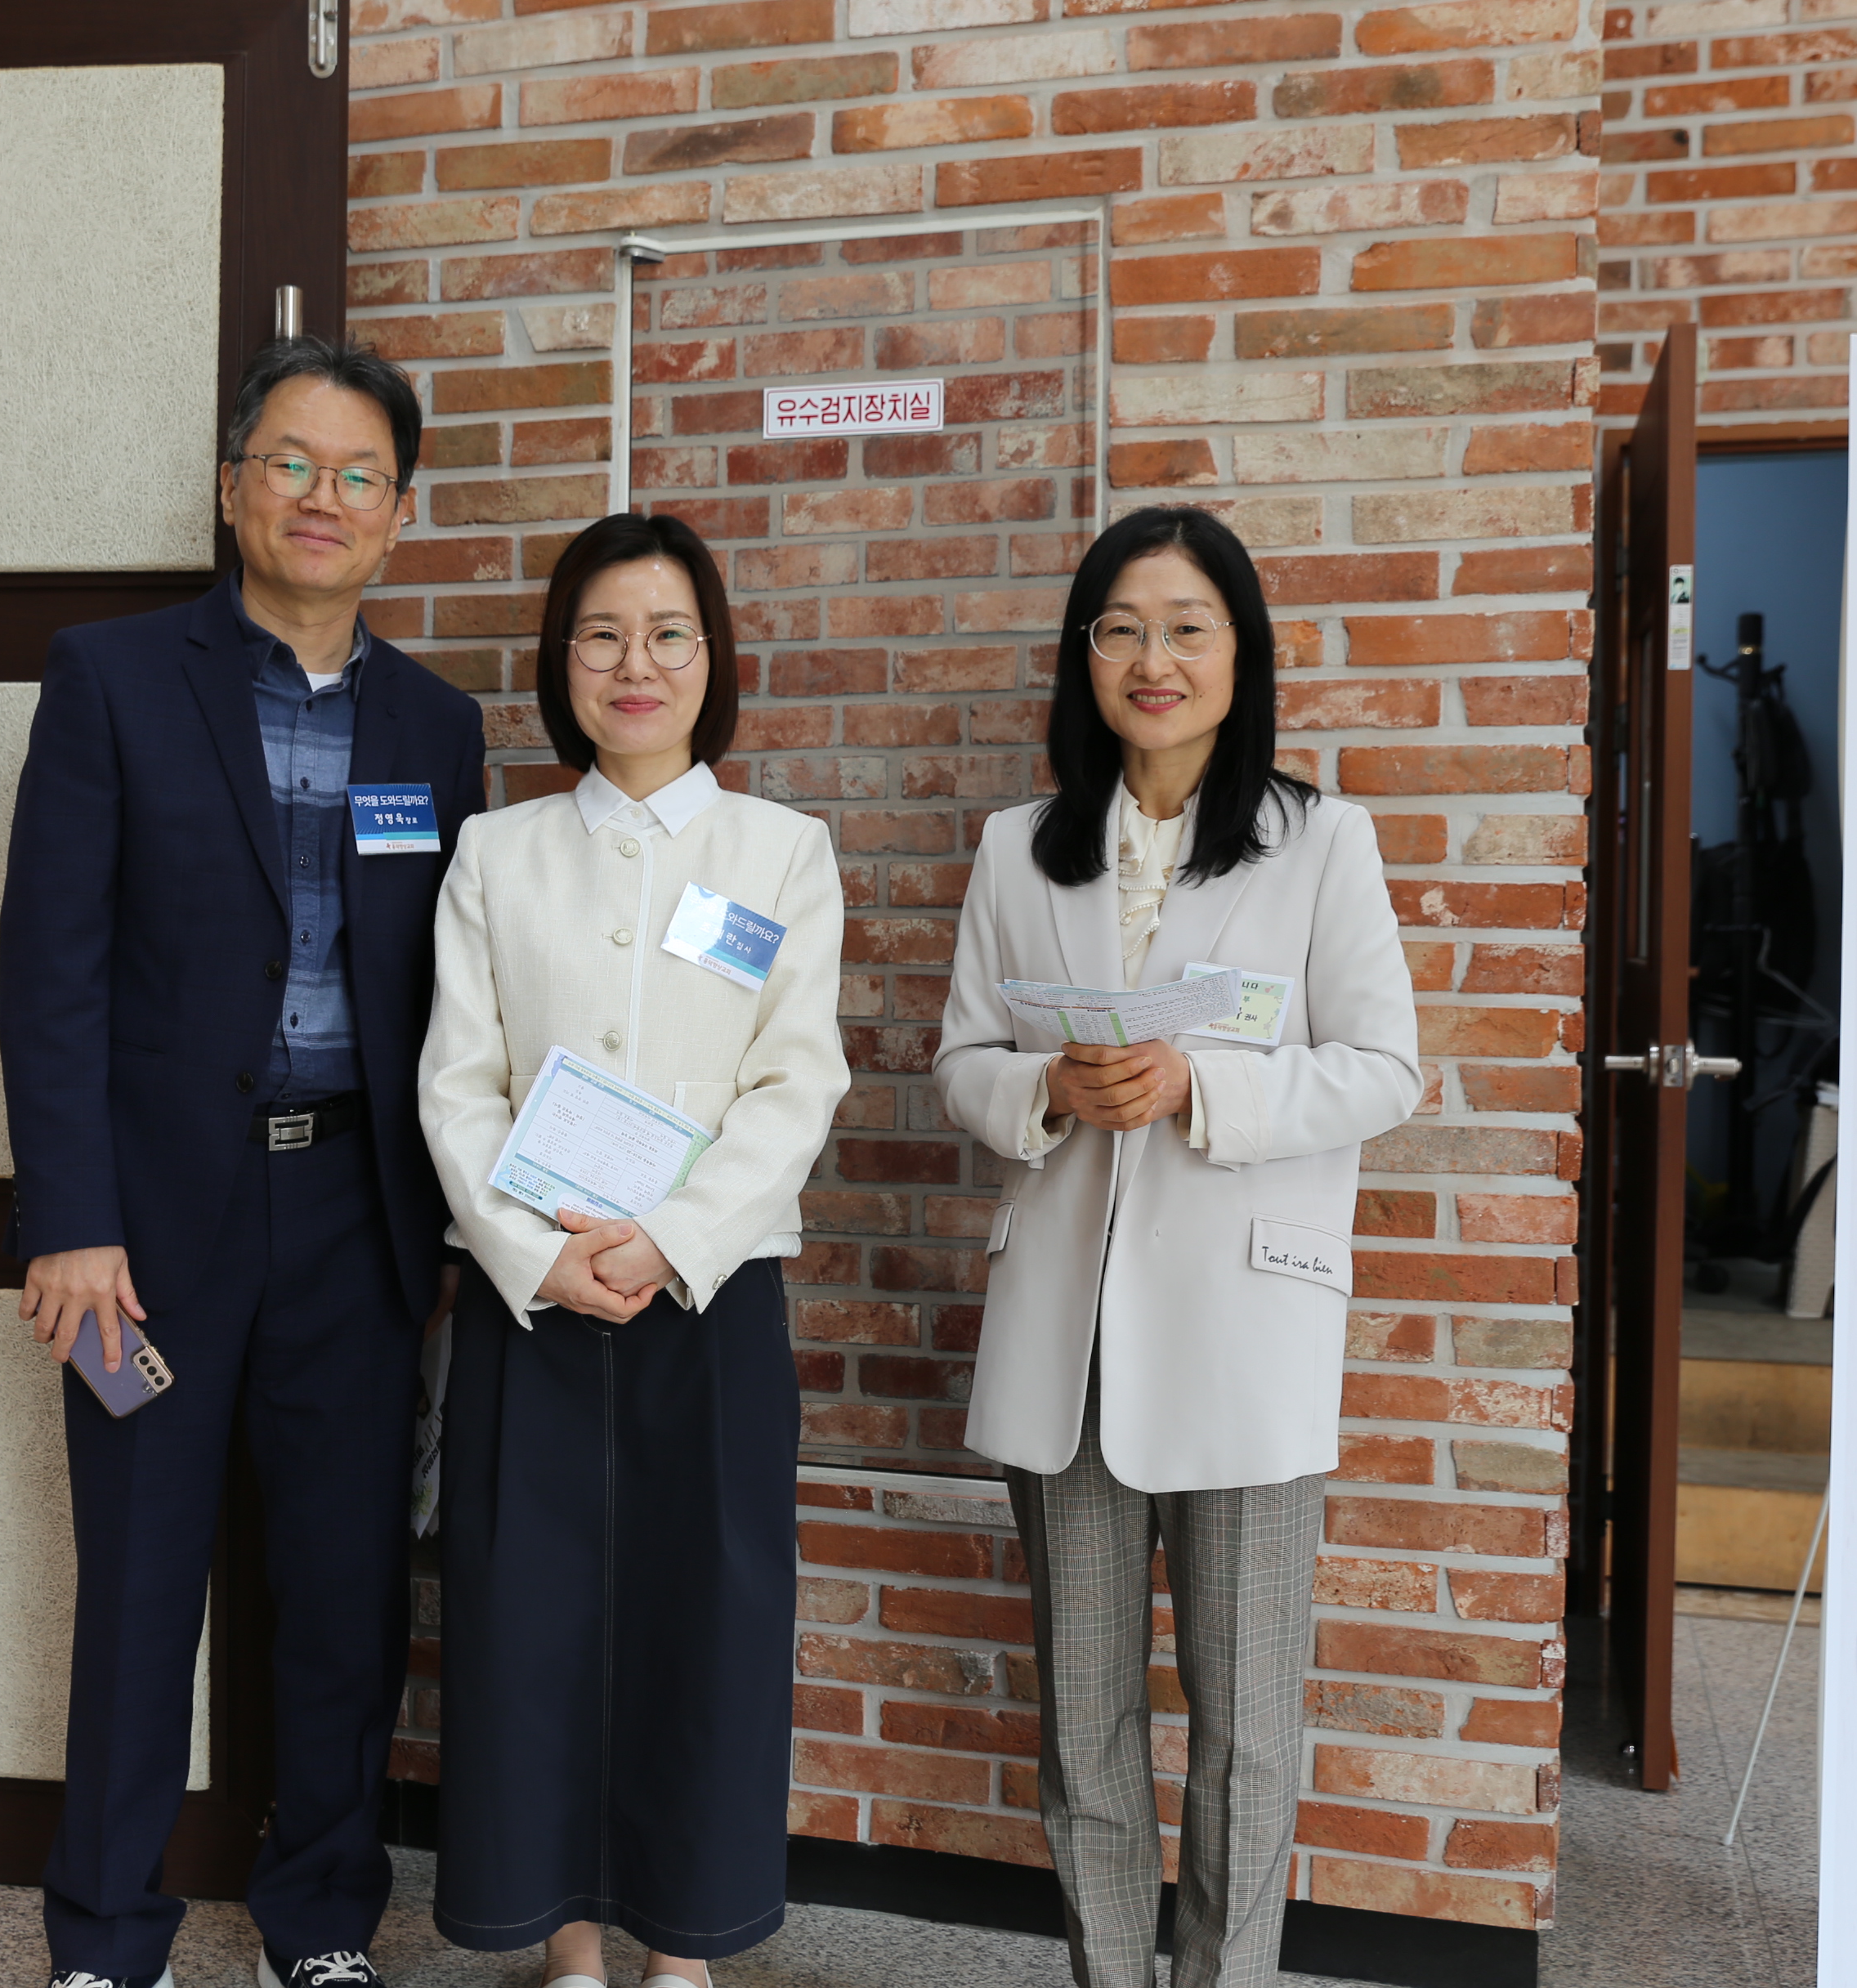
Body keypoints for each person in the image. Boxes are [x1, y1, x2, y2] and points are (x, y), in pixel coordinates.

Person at [0, 333, 486, 1988]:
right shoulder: (114, 679)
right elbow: (50, 969)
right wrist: (70, 1218)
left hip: (356, 1218)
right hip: (147, 1232)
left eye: (360, 475)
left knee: (346, 1594)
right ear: (231, 487)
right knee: (141, 1585)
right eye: (292, 462)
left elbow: (453, 998)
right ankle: (104, 1938)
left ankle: (322, 1921)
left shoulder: (437, 726)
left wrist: (446, 1231)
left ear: (400, 515)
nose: (321, 496)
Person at [932, 506, 1421, 1988]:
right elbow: (962, 1061)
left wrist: (1205, 1087)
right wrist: (1045, 1091)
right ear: (1085, 656)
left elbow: (1385, 1071)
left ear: (1240, 653)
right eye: (1123, 629)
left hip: (1243, 1341)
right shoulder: (1020, 847)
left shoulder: (1320, 842)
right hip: (1067, 1344)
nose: (1155, 659)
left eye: (1188, 628)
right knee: (1084, 1723)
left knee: (1248, 1728)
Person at [418, 511, 848, 1988]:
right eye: (601, 635)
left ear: (711, 659)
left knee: (707, 1621)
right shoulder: (497, 854)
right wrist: (532, 1256)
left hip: (709, 1299)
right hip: (532, 1302)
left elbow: (797, 1082)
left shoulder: (780, 854)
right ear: (564, 661)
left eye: (668, 634)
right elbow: (457, 1082)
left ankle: (687, 1950)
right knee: (526, 1620)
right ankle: (570, 1943)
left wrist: (668, 1240)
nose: (634, 664)